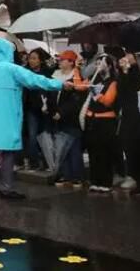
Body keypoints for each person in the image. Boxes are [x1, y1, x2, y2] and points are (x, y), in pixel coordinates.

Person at [0, 38, 70, 199]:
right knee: (8, 151)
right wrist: (59, 84)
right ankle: (6, 187)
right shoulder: (13, 69)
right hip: (8, 116)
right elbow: (36, 80)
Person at [50, 50, 87, 188]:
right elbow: (51, 96)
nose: (60, 62)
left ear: (71, 62)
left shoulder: (77, 77)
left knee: (74, 147)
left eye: (63, 60)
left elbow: (76, 100)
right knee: (61, 147)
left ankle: (77, 176)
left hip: (71, 119)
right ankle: (65, 175)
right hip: (56, 117)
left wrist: (62, 112)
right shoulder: (55, 76)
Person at [84, 54, 119, 193]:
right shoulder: (95, 78)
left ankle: (106, 182)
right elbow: (81, 86)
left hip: (106, 120)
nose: (98, 65)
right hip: (92, 119)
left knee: (105, 152)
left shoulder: (113, 82)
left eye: (101, 63)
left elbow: (108, 101)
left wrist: (96, 94)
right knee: (93, 151)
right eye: (97, 63)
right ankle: (94, 180)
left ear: (109, 65)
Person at [117, 53, 140, 194]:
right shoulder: (131, 75)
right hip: (130, 119)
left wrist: (134, 66)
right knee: (132, 152)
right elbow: (123, 89)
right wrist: (125, 70)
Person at [23, 48, 53, 171]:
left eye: (35, 58)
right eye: (30, 58)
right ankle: (33, 162)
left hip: (45, 108)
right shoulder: (25, 72)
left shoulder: (47, 73)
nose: (32, 61)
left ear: (40, 60)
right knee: (32, 135)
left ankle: (47, 161)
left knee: (45, 135)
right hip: (31, 109)